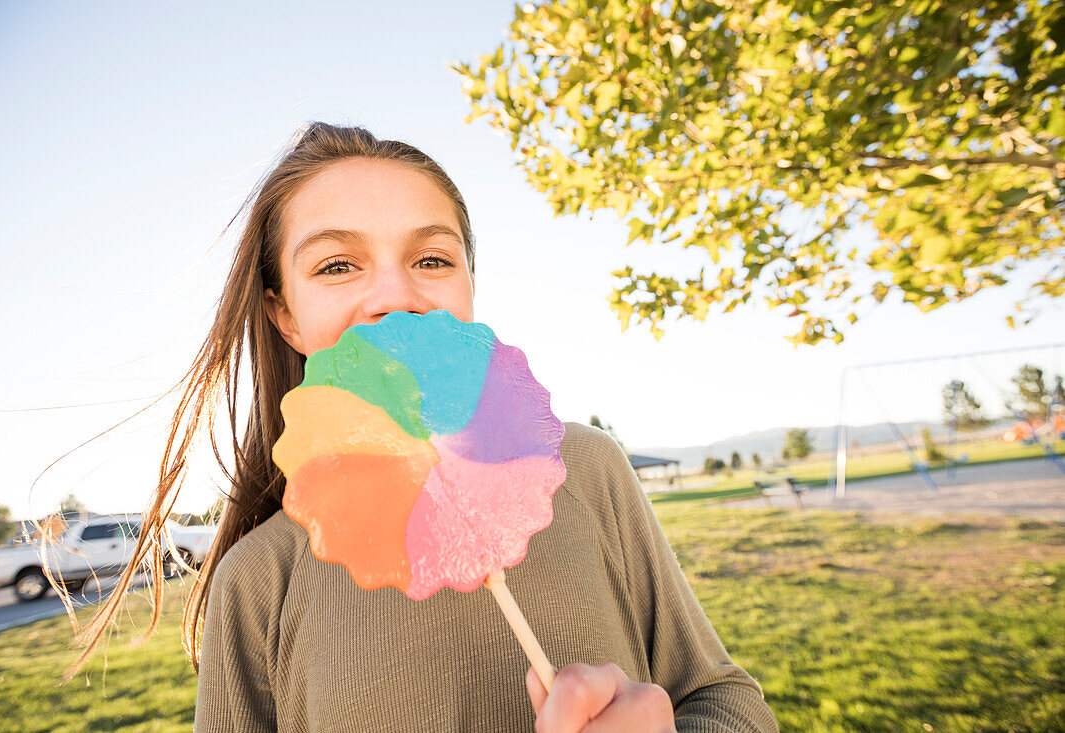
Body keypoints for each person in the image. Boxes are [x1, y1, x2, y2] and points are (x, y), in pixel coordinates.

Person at [63, 122, 779, 732]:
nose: (396, 296)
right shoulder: (257, 580)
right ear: (285, 315)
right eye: (338, 264)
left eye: (432, 259)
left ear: (469, 286)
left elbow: (728, 701)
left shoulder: (584, 467)